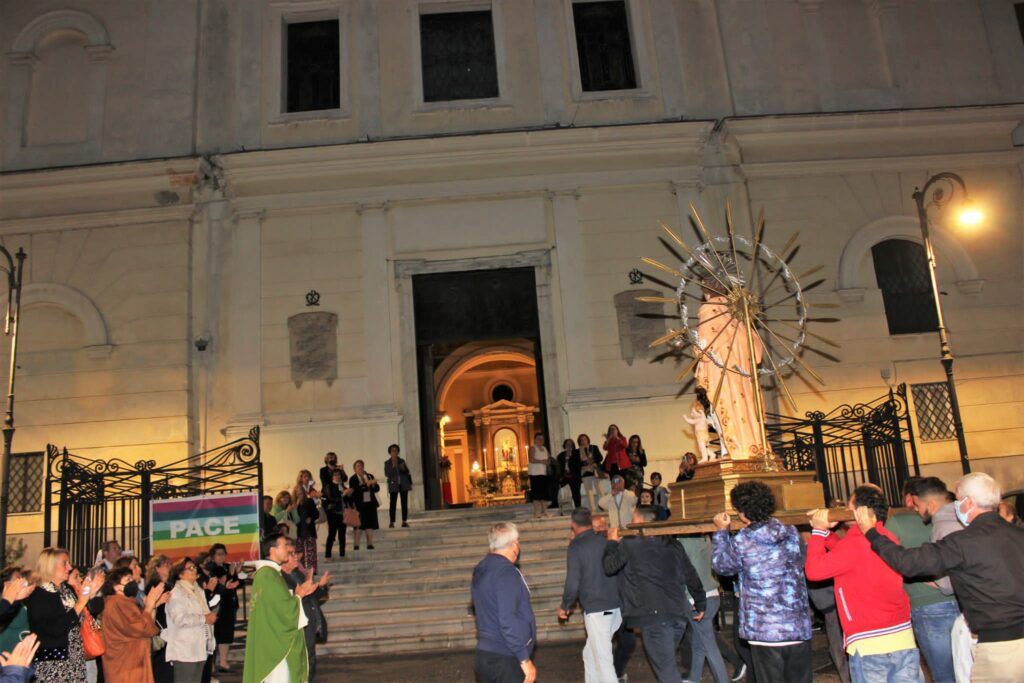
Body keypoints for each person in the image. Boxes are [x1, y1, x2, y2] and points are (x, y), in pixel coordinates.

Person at [856, 472, 1024, 681]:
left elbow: (908, 562)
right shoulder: (1018, 535)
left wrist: (871, 533)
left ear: (969, 502)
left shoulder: (962, 542)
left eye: (958, 499)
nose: (955, 504)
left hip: (1000, 649)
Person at [806, 485, 923, 683]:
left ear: (858, 512)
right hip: (902, 636)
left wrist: (817, 532)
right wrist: (827, 535)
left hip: (870, 643)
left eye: (848, 506)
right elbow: (849, 556)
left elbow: (814, 571)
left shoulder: (854, 545)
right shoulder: (885, 537)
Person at [711, 481, 812, 683]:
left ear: (742, 513)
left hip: (764, 630)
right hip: (797, 626)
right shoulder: (790, 532)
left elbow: (721, 566)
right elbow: (802, 560)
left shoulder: (743, 540)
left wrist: (721, 532)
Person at [603, 507, 707, 683]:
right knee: (667, 665)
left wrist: (612, 543)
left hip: (654, 618)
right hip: (678, 615)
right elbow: (691, 574)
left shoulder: (630, 544)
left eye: (633, 518)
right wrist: (700, 602)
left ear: (640, 522)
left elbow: (609, 567)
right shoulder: (674, 544)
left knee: (667, 673)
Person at [885, 477, 960, 683]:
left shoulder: (897, 523)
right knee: (966, 669)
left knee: (944, 674)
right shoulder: (959, 517)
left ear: (911, 499)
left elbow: (885, 559)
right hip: (963, 602)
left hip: (928, 607)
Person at [558, 507, 622, 682]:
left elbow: (573, 581)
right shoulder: (605, 541)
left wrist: (565, 606)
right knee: (590, 654)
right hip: (616, 607)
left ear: (573, 524)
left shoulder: (576, 547)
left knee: (603, 660)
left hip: (598, 609)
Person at [243, 534, 316, 683]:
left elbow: (278, 604)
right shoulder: (267, 575)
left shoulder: (271, 573)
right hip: (275, 642)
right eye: (284, 546)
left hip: (273, 635)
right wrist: (299, 595)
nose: (289, 549)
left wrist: (298, 595)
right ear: (273, 550)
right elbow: (284, 610)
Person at [471, 522, 537, 683]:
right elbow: (508, 619)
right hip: (506, 657)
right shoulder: (506, 572)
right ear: (514, 545)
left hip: (485, 653)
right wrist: (524, 659)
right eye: (518, 541)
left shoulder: (481, 568)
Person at [26, 547, 103, 683]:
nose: (69, 567)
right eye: (65, 563)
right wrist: (80, 604)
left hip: (74, 659)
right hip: (53, 663)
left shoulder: (66, 590)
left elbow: (84, 615)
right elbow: (55, 628)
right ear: (50, 566)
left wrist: (91, 594)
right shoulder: (40, 594)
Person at [100, 566, 168, 683]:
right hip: (126, 668)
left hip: (133, 665)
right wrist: (149, 606)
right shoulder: (117, 604)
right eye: (128, 580)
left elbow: (149, 629)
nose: (133, 583)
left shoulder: (127, 602)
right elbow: (141, 628)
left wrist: (153, 606)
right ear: (116, 587)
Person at [678, 534, 731, 683]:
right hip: (713, 595)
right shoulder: (706, 539)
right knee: (698, 643)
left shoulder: (681, 542)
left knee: (710, 647)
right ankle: (694, 678)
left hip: (696, 599)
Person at [281, 545, 330, 681]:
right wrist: (316, 586)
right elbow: (299, 597)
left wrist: (320, 585)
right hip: (297, 621)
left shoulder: (296, 573)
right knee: (304, 658)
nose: (297, 557)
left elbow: (312, 595)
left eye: (296, 553)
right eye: (292, 554)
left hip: (308, 619)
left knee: (310, 657)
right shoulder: (282, 578)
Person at [164, 558, 216, 683]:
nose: (194, 570)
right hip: (184, 649)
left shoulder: (198, 591)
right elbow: (179, 619)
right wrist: (204, 619)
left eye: (194, 567)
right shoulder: (176, 593)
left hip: (200, 645)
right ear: (180, 574)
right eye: (190, 568)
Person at [203, 544, 240, 673]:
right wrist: (230, 574)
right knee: (215, 635)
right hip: (217, 605)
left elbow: (235, 582)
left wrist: (236, 572)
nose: (221, 556)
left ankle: (223, 661)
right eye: (218, 554)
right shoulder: (211, 568)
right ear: (213, 556)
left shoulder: (226, 566)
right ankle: (212, 664)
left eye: (223, 553)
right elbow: (221, 584)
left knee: (226, 635)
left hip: (229, 603)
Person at [143, 556, 173, 683]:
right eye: (165, 564)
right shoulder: (154, 585)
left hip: (170, 625)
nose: (169, 567)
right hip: (160, 626)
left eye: (169, 564)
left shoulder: (171, 584)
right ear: (157, 568)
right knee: (162, 664)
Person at [349, 460, 381, 549]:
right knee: (358, 525)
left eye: (361, 466)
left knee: (370, 524)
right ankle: (356, 544)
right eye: (358, 466)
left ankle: (370, 543)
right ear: (354, 469)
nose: (360, 467)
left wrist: (373, 484)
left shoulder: (369, 476)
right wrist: (366, 485)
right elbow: (355, 491)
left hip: (370, 504)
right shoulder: (353, 479)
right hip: (359, 505)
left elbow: (377, 488)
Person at [0, 567, 32, 655]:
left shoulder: (19, 602)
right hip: (7, 652)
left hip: (18, 653)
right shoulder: (4, 603)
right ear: (6, 584)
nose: (22, 581)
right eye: (17, 578)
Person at [322, 467, 350, 559]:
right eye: (335, 475)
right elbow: (331, 498)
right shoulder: (329, 486)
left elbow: (347, 500)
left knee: (342, 535)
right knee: (332, 535)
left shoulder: (342, 486)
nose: (337, 476)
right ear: (332, 477)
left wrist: (349, 493)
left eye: (338, 475)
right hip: (333, 513)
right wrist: (343, 494)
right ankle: (328, 555)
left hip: (343, 513)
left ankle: (342, 554)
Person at [384, 444, 413, 528]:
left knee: (404, 503)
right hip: (393, 485)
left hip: (403, 484)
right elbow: (387, 474)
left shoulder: (401, 460)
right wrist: (393, 467)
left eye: (396, 450)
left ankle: (404, 521)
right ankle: (392, 522)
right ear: (390, 452)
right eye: (393, 451)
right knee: (392, 503)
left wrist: (403, 468)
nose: (395, 452)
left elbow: (407, 471)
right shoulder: (387, 463)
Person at [293, 485, 320, 572]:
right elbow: (290, 516)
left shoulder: (309, 501)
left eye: (301, 491)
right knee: (299, 554)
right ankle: (301, 571)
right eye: (297, 492)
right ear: (295, 493)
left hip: (309, 530)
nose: (299, 493)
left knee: (311, 553)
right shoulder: (292, 504)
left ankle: (312, 571)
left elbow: (316, 514)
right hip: (297, 532)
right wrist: (296, 504)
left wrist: (311, 517)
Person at [527, 432, 551, 519]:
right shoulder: (532, 448)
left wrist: (548, 462)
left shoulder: (545, 448)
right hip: (535, 474)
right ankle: (537, 513)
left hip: (543, 473)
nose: (541, 440)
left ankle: (545, 512)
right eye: (539, 439)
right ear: (535, 440)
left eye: (542, 439)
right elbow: (531, 459)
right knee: (537, 494)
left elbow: (549, 459)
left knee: (544, 494)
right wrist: (542, 461)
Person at [577, 434, 603, 511]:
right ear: (579, 442)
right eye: (581, 440)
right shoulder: (578, 451)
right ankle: (593, 509)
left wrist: (592, 460)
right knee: (589, 492)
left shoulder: (594, 447)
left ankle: (604, 507)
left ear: (588, 440)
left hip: (595, 471)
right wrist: (584, 462)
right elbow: (578, 463)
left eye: (585, 439)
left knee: (600, 490)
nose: (583, 441)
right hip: (585, 472)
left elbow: (600, 457)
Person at [556, 438, 581, 509]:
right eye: (567, 444)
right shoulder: (561, 455)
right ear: (565, 445)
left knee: (575, 492)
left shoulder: (576, 453)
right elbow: (558, 467)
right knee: (554, 484)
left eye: (570, 444)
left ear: (573, 445)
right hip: (564, 476)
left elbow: (579, 465)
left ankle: (578, 507)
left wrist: (571, 457)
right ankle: (555, 504)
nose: (569, 446)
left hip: (574, 476)